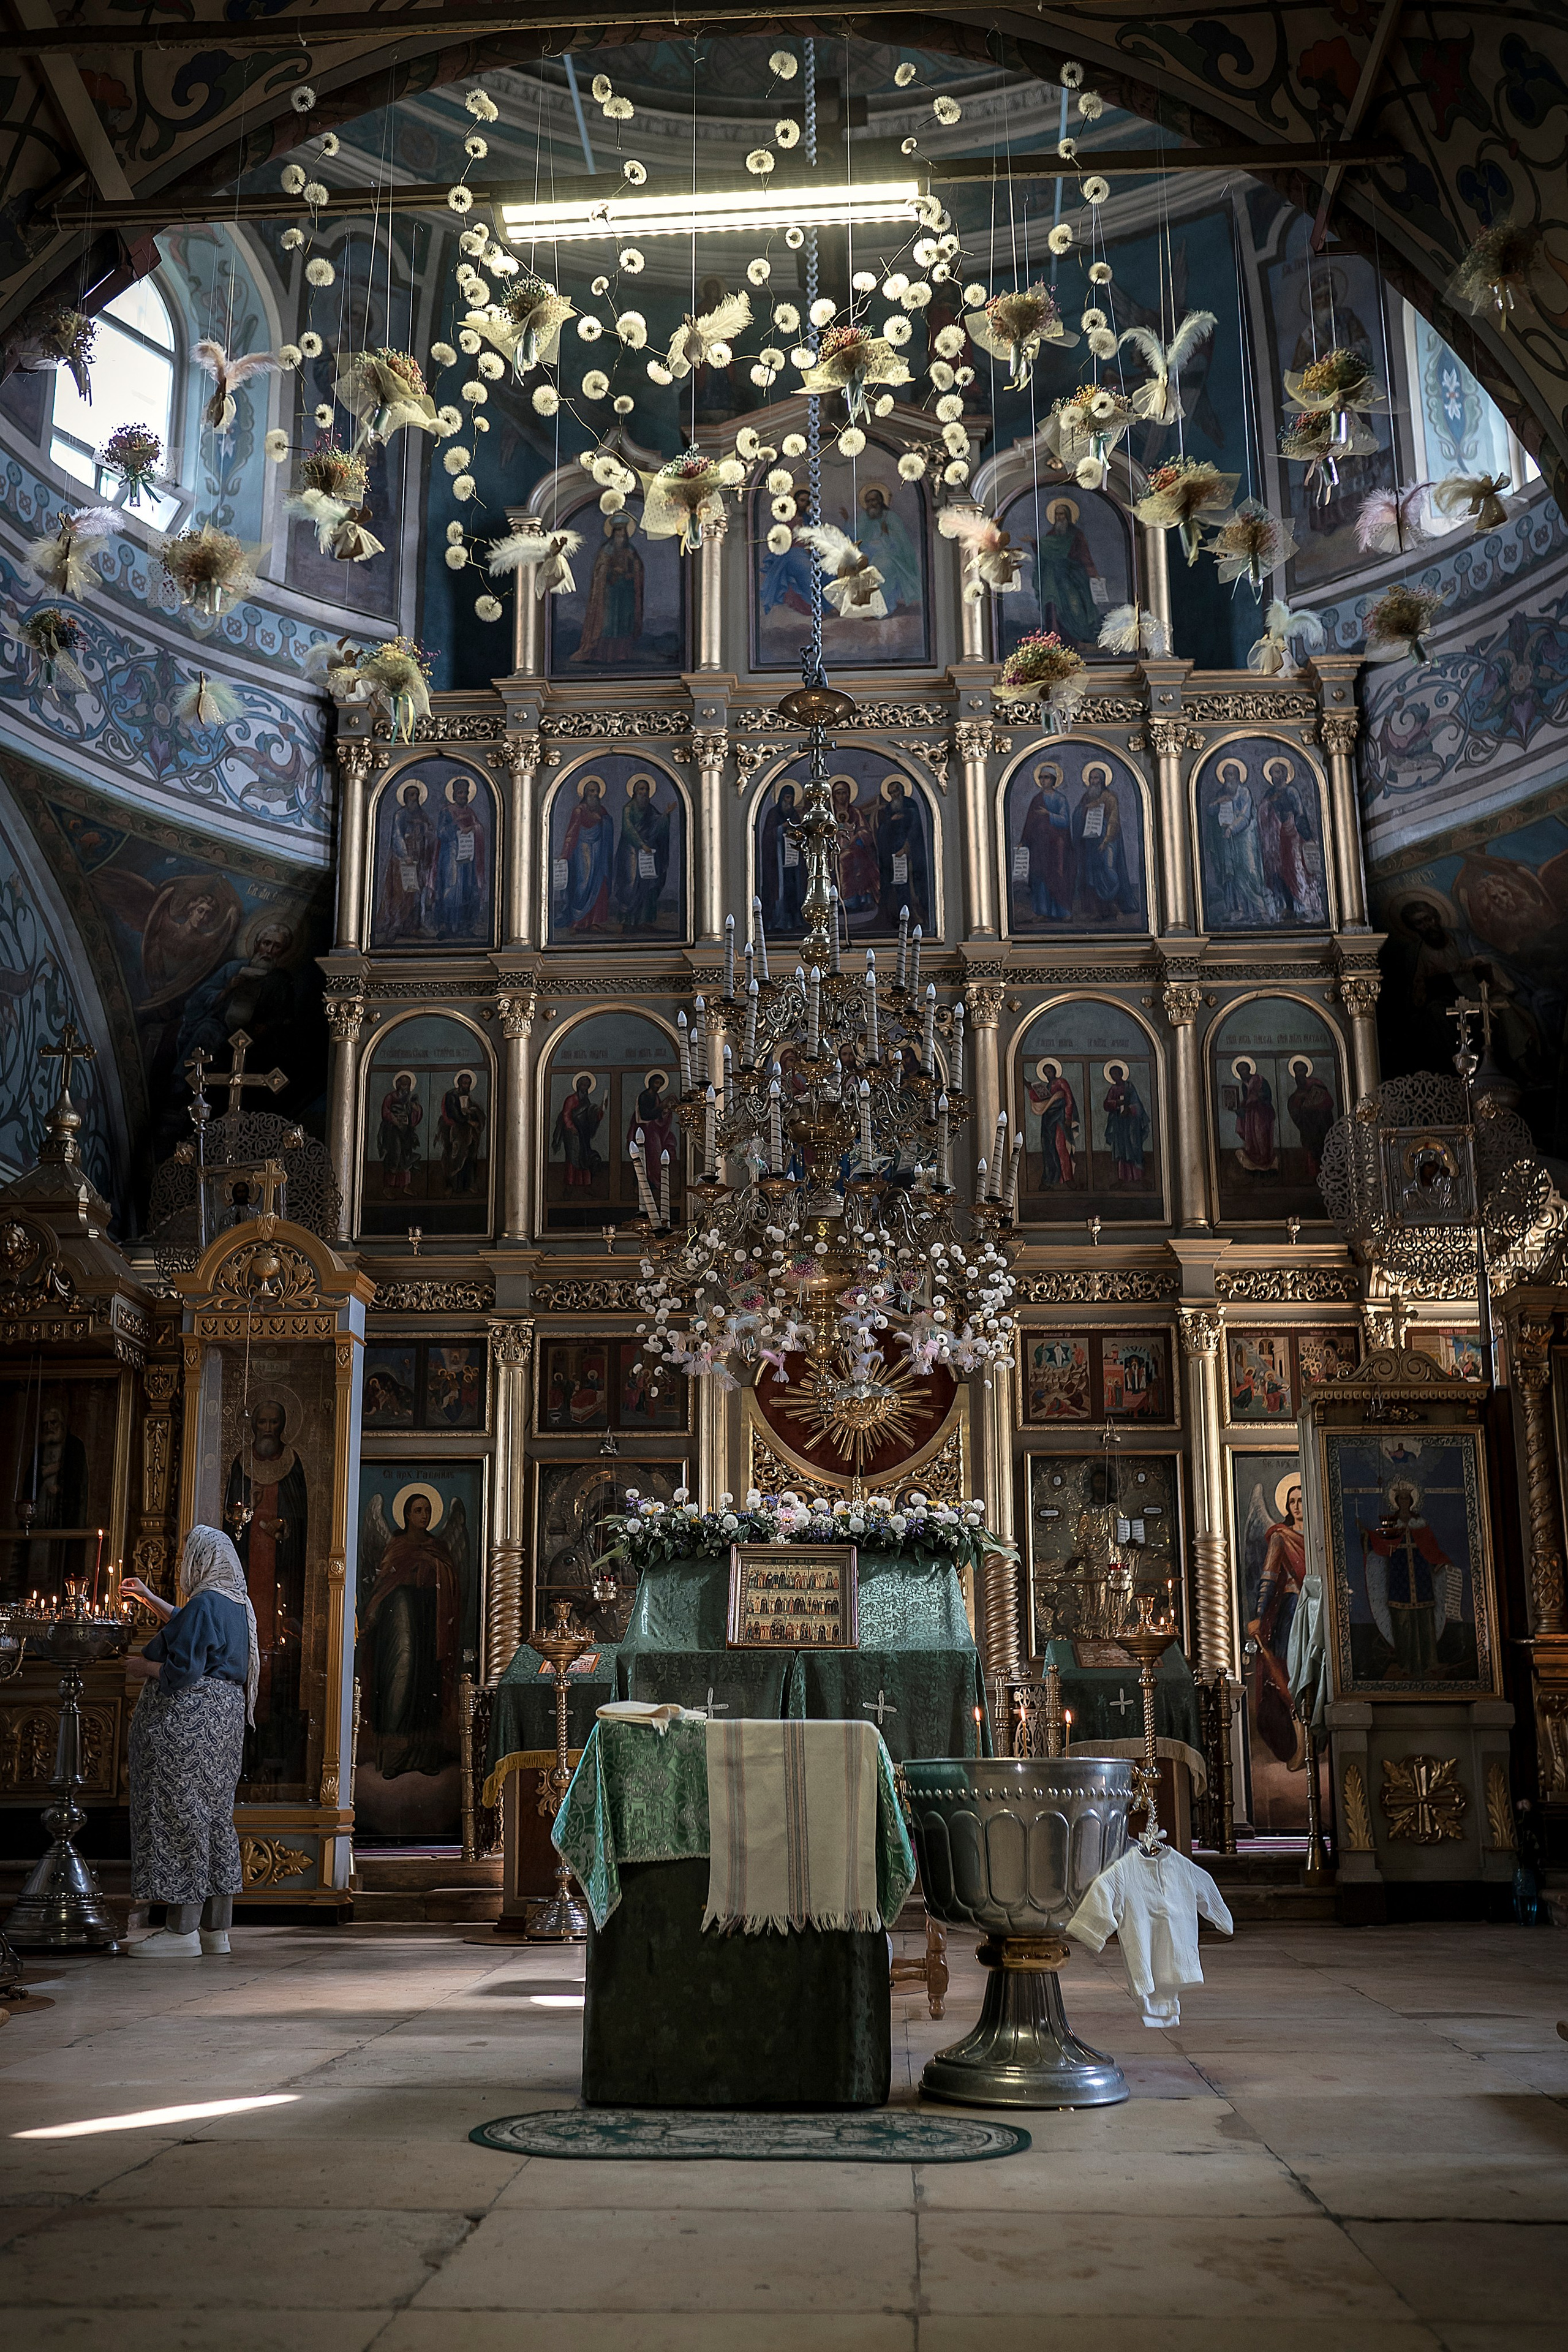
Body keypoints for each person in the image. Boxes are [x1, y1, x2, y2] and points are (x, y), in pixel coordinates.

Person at [121, 1526, 257, 1958]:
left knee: (180, 1817)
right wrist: (147, 1597)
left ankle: (181, 1932)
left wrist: (142, 1667)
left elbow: (181, 1670)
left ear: (200, 1560)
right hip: (223, 1724)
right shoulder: (237, 1605)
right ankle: (215, 1929)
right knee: (213, 1816)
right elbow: (190, 1625)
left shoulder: (206, 1604)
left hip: (187, 1725)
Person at [224, 1400, 309, 1763]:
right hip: (245, 1571)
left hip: (282, 1574)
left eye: (276, 1422)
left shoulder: (293, 1465)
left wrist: (286, 1527)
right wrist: (247, 1511)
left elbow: (303, 1516)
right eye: (263, 1422)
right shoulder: (241, 1464)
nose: (269, 1428)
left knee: (278, 1642)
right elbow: (230, 1520)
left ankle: (276, 1737)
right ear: (254, 1425)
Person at [358, 1491, 460, 1777]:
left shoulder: (438, 1547)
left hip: (431, 1622)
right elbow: (382, 1586)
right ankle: (393, 1758)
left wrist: (434, 1567)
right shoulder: (397, 1545)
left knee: (427, 1685)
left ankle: (426, 1756)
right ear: (406, 1515)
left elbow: (451, 1580)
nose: (424, 1516)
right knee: (399, 1680)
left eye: (427, 1510)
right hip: (399, 1625)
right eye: (418, 1510)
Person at [1248, 1477, 1306, 1766]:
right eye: (1292, 1501)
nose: (1297, 1506)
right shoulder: (1281, 1537)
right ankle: (1297, 1730)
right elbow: (1269, 1578)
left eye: (1301, 1500)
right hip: (1292, 1610)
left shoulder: (1319, 1537)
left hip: (1316, 1612)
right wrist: (1259, 1615)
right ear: (1286, 1506)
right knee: (1286, 1668)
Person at [571, 510, 644, 664]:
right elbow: (600, 570)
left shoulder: (631, 550)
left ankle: (622, 654)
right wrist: (611, 571)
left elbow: (638, 570)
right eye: (618, 531)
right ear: (613, 532)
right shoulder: (606, 550)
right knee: (608, 623)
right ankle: (602, 654)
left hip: (626, 593)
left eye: (623, 531)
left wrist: (631, 573)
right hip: (609, 594)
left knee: (624, 623)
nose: (620, 535)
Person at [1031, 497, 1102, 647]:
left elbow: (1085, 555)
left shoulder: (1076, 534)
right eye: (1057, 515)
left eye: (1062, 514)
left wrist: (1092, 573)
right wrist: (1035, 545)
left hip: (1073, 578)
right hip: (1054, 580)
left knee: (1075, 608)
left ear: (1068, 516)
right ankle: (1055, 642)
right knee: (1054, 608)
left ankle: (1076, 641)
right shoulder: (1051, 535)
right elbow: (1044, 552)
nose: (1059, 518)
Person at [1072, 767, 1137, 921]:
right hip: (1090, 844)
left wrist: (1106, 840)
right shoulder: (1087, 798)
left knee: (1108, 873)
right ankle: (1096, 910)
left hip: (1107, 841)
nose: (1094, 782)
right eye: (1091, 779)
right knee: (1092, 876)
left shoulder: (1109, 797)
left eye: (1096, 778)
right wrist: (1083, 810)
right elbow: (1078, 815)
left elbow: (1114, 821)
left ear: (1103, 780)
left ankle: (1114, 908)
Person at [375, 782, 438, 941]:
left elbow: (431, 834)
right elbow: (397, 836)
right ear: (405, 798)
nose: (414, 799)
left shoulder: (422, 815)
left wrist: (427, 833)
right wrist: (405, 854)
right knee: (400, 893)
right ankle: (396, 925)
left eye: (416, 795)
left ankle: (414, 926)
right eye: (411, 795)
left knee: (416, 894)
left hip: (419, 860)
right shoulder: (400, 815)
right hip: (401, 862)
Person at [1018, 763, 1074, 923]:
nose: (1043, 781)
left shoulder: (1060, 799)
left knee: (1058, 875)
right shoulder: (1037, 799)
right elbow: (1030, 822)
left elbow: (1065, 821)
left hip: (1057, 846)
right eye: (1041, 778)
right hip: (1039, 846)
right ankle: (1042, 911)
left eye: (1046, 778)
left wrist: (1048, 814)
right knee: (1040, 877)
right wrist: (1024, 841)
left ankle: (1063, 911)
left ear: (1054, 780)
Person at [557, 776, 615, 932]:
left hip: (599, 852)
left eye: (596, 791)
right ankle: (578, 921)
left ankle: (595, 921)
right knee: (583, 883)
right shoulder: (579, 811)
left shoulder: (602, 811)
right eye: (591, 791)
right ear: (584, 793)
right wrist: (565, 854)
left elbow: (608, 827)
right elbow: (571, 833)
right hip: (583, 851)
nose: (594, 794)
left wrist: (604, 821)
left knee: (600, 883)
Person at [614, 774, 671, 932]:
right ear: (634, 791)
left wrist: (666, 814)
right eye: (641, 789)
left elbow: (657, 823)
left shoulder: (650, 809)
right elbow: (628, 829)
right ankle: (628, 921)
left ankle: (644, 920)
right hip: (630, 851)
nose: (644, 792)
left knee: (647, 885)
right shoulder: (628, 808)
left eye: (646, 789)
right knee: (631, 884)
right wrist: (641, 844)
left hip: (646, 853)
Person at [853, 480, 922, 612]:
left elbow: (901, 545)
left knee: (879, 569)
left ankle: (882, 608)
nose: (871, 504)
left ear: (881, 501)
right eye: (868, 501)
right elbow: (859, 539)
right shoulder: (864, 519)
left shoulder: (891, 518)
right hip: (869, 555)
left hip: (891, 556)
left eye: (874, 500)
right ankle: (864, 606)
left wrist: (887, 534)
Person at [436, 777, 488, 938]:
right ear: (454, 794)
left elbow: (480, 828)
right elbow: (441, 833)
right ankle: (447, 927)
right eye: (460, 792)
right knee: (450, 889)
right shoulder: (447, 811)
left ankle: (464, 927)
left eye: (465, 793)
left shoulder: (470, 812)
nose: (463, 796)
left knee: (466, 890)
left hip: (467, 858)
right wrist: (455, 826)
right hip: (451, 857)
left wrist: (474, 828)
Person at [876, 776, 929, 930]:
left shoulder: (911, 806)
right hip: (893, 856)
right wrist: (889, 822)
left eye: (896, 791)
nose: (894, 795)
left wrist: (906, 847)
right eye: (891, 792)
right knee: (899, 886)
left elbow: (915, 829)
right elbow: (883, 832)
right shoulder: (888, 809)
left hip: (909, 854)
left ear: (902, 791)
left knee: (912, 887)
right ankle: (900, 917)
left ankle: (915, 916)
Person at [761, 782, 805, 935]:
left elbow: (802, 833)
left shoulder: (794, 815)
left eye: (792, 799)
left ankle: (795, 921)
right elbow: (767, 836)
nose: (789, 802)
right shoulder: (774, 814)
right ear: (781, 798)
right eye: (787, 798)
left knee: (793, 892)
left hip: (793, 862)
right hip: (778, 862)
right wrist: (782, 829)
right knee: (779, 893)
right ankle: (779, 922)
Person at [1028, 1057, 1078, 1187]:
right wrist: (1030, 1089)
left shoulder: (1061, 1082)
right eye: (1046, 1073)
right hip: (1048, 1120)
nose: (1048, 1074)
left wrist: (1068, 1117)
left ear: (1055, 1071)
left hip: (1060, 1119)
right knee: (1049, 1148)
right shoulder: (1048, 1086)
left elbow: (1069, 1099)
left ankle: (1068, 1178)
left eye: (1049, 1072)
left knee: (1061, 1147)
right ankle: (1052, 1178)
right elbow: (1044, 1101)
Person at [552, 1071, 603, 1191]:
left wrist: (600, 1112)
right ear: (578, 1086)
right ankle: (570, 1183)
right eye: (582, 1085)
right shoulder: (571, 1099)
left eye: (586, 1086)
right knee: (573, 1157)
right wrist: (572, 1128)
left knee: (584, 1157)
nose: (584, 1088)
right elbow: (566, 1115)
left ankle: (585, 1184)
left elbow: (590, 1116)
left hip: (583, 1133)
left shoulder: (586, 1101)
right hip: (572, 1134)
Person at [438, 1069, 486, 1195]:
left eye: (468, 1083)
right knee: (456, 1157)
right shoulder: (451, 1095)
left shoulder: (468, 1098)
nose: (466, 1086)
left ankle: (468, 1185)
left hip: (468, 1134)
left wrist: (473, 1112)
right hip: (455, 1132)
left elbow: (475, 1113)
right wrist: (468, 1121)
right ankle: (451, 1186)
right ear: (459, 1083)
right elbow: (453, 1113)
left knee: (470, 1158)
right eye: (464, 1083)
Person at [1102, 1060, 1150, 1185]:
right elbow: (1106, 1104)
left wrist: (1130, 1109)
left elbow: (1138, 1105)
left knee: (1133, 1146)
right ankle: (1123, 1179)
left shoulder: (1129, 1087)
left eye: (1117, 1073)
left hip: (1131, 1123)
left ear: (1122, 1073)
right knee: (1121, 1149)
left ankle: (1137, 1178)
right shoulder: (1113, 1089)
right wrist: (1117, 1104)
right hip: (1119, 1123)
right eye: (1112, 1074)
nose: (1115, 1076)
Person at [1286, 1056, 1336, 1177]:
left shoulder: (1317, 1084)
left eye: (1302, 1070)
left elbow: (1329, 1102)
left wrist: (1313, 1106)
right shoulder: (1295, 1097)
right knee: (1312, 1152)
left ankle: (1330, 1175)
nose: (1300, 1074)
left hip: (1323, 1126)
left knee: (1326, 1150)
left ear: (1307, 1071)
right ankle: (1314, 1176)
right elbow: (1295, 1111)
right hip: (1309, 1130)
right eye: (1297, 1071)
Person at [378, 1069, 422, 1196]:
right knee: (395, 1156)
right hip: (393, 1131)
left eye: (408, 1085)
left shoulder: (410, 1099)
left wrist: (416, 1109)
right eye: (403, 1084)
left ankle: (406, 1187)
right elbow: (385, 1111)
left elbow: (416, 1115)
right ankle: (388, 1187)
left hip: (406, 1131)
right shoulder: (391, 1097)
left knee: (406, 1157)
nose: (406, 1087)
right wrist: (394, 1119)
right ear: (398, 1085)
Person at [1232, 1059, 1278, 1175]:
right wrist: (1240, 1109)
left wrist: (1258, 1098)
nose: (1242, 1072)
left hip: (1263, 1115)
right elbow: (1246, 1100)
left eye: (1244, 1069)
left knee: (1262, 1137)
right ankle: (1255, 1165)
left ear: (1249, 1069)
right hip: (1250, 1117)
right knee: (1252, 1139)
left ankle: (1266, 1164)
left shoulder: (1260, 1081)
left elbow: (1268, 1097)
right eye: (1239, 1070)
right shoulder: (1244, 1085)